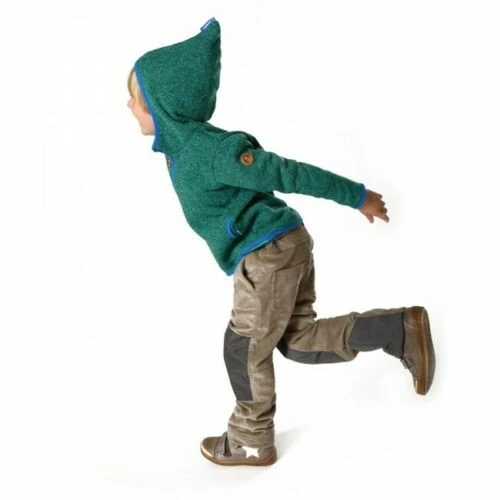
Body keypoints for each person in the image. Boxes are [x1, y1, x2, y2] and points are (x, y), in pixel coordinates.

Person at [126, 18, 436, 467]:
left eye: (136, 101)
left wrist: (356, 196)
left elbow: (285, 172)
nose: (129, 107)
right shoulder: (180, 148)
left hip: (268, 254)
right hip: (275, 249)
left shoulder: (210, 151)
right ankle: (398, 330)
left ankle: (250, 439)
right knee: (297, 340)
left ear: (162, 106)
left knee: (243, 346)